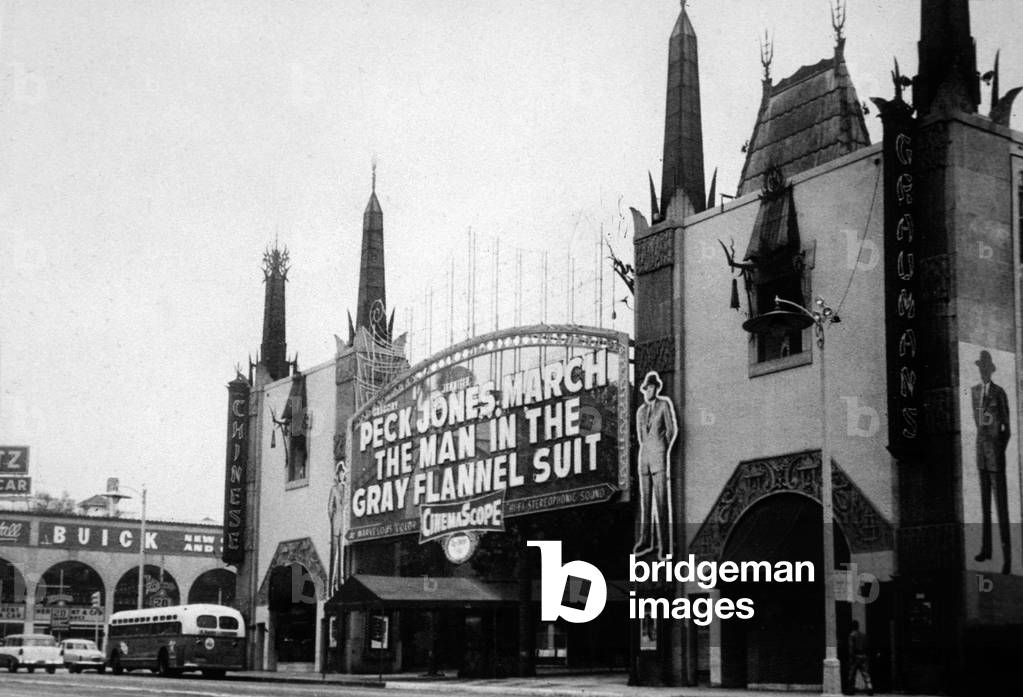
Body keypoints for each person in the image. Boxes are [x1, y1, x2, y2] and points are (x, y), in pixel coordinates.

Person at [971, 350, 1012, 575]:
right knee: (985, 507)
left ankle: (1007, 557)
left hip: (996, 458)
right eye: (980, 368)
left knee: (1002, 508)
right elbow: (978, 425)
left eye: (985, 368)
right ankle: (986, 549)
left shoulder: (999, 393)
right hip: (981, 457)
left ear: (990, 369)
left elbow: (1007, 429)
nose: (982, 371)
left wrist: (998, 449)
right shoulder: (975, 393)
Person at [633, 371, 678, 558]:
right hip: (644, 459)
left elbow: (671, 429)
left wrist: (662, 447)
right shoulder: (641, 411)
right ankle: (645, 540)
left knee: (661, 502)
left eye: (650, 387)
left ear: (656, 388)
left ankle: (665, 544)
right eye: (646, 388)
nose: (647, 391)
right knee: (645, 503)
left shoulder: (664, 405)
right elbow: (641, 436)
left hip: (659, 456)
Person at [327, 460, 348, 594]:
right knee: (334, 555)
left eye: (343, 473)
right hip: (336, 523)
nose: (341, 475)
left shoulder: (345, 488)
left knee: (342, 554)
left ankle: (340, 582)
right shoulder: (333, 489)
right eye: (340, 473)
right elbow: (329, 507)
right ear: (337, 474)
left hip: (343, 524)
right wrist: (333, 519)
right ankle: (331, 585)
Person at [846, 620, 872, 695]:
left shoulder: (852, 635)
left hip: (855, 656)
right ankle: (870, 687)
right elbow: (866, 646)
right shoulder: (863, 635)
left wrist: (851, 657)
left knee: (852, 674)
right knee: (865, 673)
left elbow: (851, 647)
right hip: (863, 655)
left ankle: (851, 690)